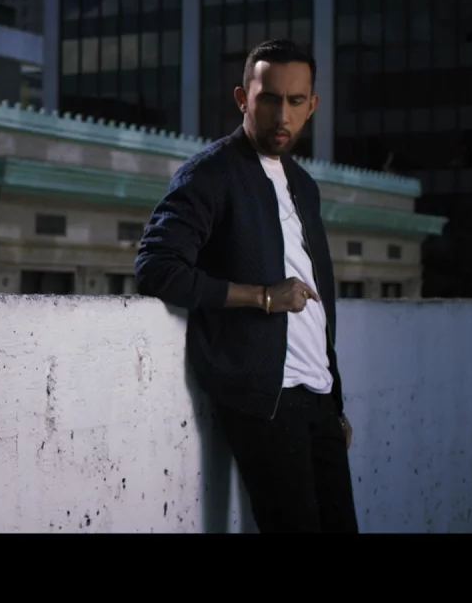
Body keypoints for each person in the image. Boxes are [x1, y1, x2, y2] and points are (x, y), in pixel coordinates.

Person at [134, 39, 358, 533]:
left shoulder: (303, 184)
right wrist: (262, 297)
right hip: (265, 401)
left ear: (312, 105)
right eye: (269, 98)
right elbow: (156, 267)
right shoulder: (210, 174)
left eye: (295, 101)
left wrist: (334, 403)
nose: (282, 115)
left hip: (319, 397)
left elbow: (320, 301)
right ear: (243, 99)